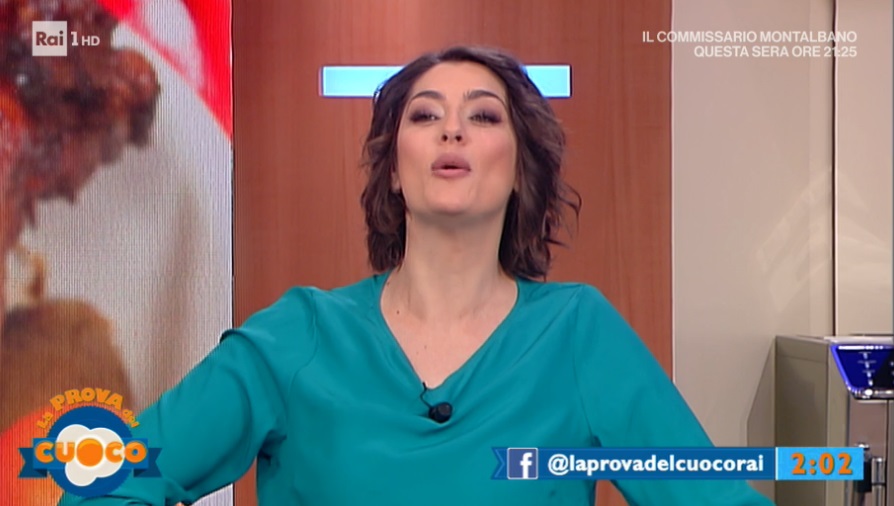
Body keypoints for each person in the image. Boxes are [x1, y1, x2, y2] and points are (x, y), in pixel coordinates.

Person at [60, 45, 774, 505]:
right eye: (425, 115)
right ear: (395, 173)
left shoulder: (578, 334)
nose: (451, 130)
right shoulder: (299, 335)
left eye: (483, 117)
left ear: (519, 172)